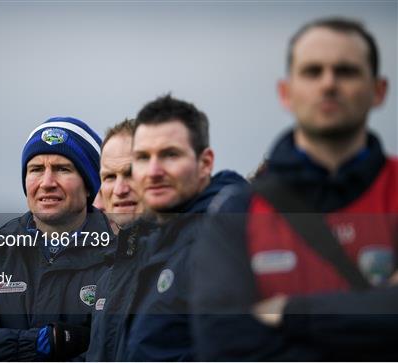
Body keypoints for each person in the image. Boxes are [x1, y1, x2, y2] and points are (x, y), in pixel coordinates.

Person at [191, 17, 398, 361]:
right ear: (286, 93)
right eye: (312, 72)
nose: (328, 84)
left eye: (346, 71)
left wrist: (290, 313)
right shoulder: (237, 211)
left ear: (378, 90)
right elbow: (223, 344)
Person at [0, 117, 114, 361]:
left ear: (90, 184)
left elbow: (120, 350)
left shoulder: (119, 253)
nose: (47, 183)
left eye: (63, 169)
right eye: (36, 169)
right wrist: (42, 342)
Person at [115, 95, 246, 361]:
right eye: (142, 158)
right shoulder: (159, 241)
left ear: (205, 163)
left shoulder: (227, 235)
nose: (153, 171)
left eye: (170, 155)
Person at [86, 118, 153, 361]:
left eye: (130, 173)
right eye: (109, 177)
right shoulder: (108, 277)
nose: (120, 189)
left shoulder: (186, 259)